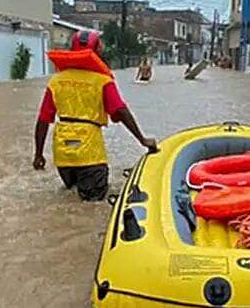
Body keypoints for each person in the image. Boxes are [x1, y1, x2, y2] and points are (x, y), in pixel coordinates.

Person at [33, 30, 157, 201]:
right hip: (89, 152)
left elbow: (43, 120)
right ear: (97, 51)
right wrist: (142, 139)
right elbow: (120, 111)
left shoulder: (56, 81)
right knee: (93, 205)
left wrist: (38, 154)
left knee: (72, 200)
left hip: (62, 154)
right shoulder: (102, 80)